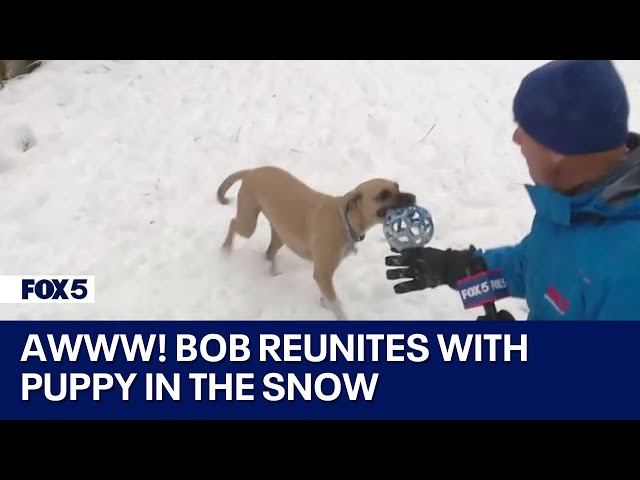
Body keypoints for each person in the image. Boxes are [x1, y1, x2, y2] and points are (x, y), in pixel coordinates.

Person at [385, 60, 640, 320]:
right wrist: (462, 270)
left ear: (557, 150)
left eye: (526, 129)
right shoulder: (575, 201)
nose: (516, 138)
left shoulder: (629, 275)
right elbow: (538, 265)